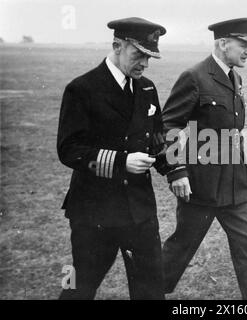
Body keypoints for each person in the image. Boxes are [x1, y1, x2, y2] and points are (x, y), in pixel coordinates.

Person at [57, 17, 178, 299]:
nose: (144, 65)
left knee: (150, 287)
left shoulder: (147, 88)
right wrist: (122, 162)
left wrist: (175, 170)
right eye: (139, 55)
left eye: (149, 58)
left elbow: (157, 138)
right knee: (79, 285)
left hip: (139, 210)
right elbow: (69, 148)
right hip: (93, 211)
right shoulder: (81, 89)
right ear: (117, 45)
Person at [160, 18, 247, 300]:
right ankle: (148, 292)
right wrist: (176, 170)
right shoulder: (195, 77)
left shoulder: (236, 77)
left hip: (235, 182)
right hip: (202, 184)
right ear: (223, 44)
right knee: (183, 244)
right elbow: (168, 125)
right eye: (243, 45)